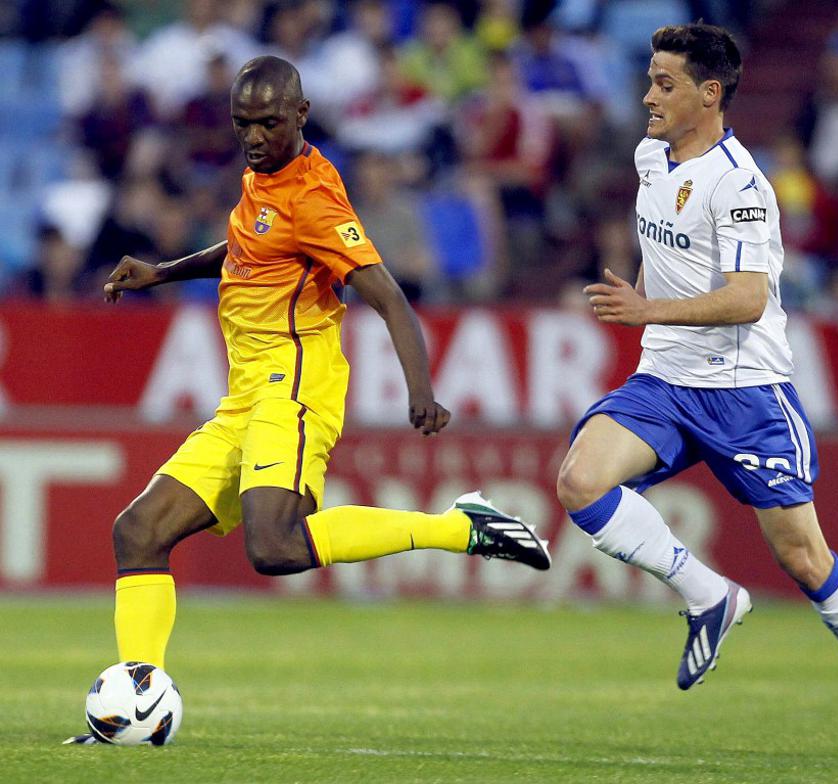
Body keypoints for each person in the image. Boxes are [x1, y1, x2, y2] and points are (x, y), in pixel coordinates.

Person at [65, 55, 550, 745]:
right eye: (242, 124)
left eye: (267, 123)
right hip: (247, 393)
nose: (253, 137)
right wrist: (163, 273)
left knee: (276, 546)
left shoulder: (316, 199)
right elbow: (248, 247)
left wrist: (421, 390)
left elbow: (387, 295)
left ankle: (457, 527)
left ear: (301, 114)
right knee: (138, 533)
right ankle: (135, 708)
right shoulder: (262, 178)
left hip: (293, 387)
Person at [555, 24, 838, 761]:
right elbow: (662, 251)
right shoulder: (649, 156)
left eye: (665, 84)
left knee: (804, 560)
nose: (648, 96)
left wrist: (648, 310)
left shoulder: (741, 185)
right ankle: (708, 594)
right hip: (666, 379)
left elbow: (748, 298)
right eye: (649, 79)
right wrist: (646, 303)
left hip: (744, 391)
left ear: (709, 94)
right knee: (579, 481)